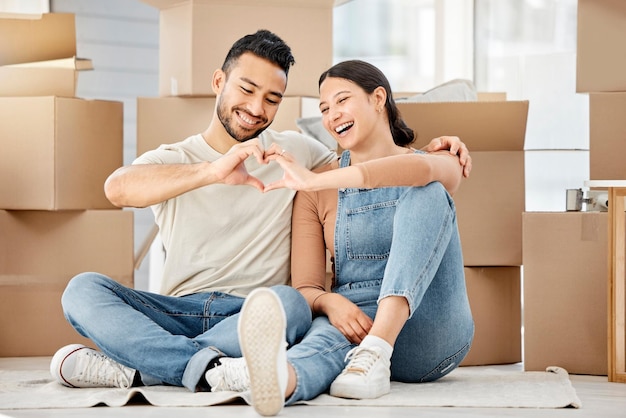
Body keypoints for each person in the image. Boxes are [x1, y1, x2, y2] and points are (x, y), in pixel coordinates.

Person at [49, 30, 470, 417]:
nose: (256, 108)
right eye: (247, 89)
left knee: (289, 303)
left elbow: (371, 167)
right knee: (82, 289)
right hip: (178, 309)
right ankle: (212, 368)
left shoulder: (295, 154)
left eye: (272, 98)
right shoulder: (174, 158)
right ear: (219, 82)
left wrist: (435, 151)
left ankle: (145, 366)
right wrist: (213, 171)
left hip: (257, 314)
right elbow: (117, 189)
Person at [208, 59, 474, 413]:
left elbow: (421, 170)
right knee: (320, 342)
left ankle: (377, 349)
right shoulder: (312, 191)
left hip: (429, 330)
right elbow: (306, 287)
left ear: (378, 98)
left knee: (428, 191)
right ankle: (275, 381)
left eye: (342, 100)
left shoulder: (438, 160)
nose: (332, 115)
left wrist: (317, 179)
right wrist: (331, 303)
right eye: (324, 108)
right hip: (355, 321)